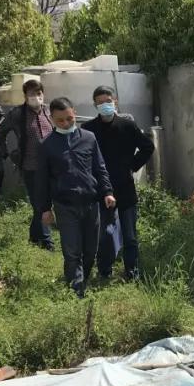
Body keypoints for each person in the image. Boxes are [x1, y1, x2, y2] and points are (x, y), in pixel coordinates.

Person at [35, 97, 115, 298]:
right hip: (65, 206)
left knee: (90, 251)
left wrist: (107, 192)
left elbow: (100, 167)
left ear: (74, 112)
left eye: (69, 118)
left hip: (90, 203)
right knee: (72, 252)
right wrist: (45, 209)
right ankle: (76, 293)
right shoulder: (47, 146)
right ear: (52, 119)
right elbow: (42, 180)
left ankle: (82, 280)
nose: (66, 123)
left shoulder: (89, 138)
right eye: (60, 120)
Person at [82, 85, 154, 280]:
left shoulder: (127, 125)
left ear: (115, 102)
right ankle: (104, 270)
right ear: (95, 105)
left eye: (108, 101)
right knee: (104, 235)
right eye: (100, 102)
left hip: (125, 188)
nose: (105, 105)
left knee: (130, 235)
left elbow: (148, 147)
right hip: (101, 190)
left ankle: (132, 270)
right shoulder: (89, 130)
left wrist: (132, 166)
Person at [0, 79, 55, 249]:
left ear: (43, 94)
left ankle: (34, 236)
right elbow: (1, 132)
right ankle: (46, 240)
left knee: (46, 202)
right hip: (30, 166)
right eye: (31, 94)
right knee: (39, 203)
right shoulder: (18, 114)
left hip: (50, 166)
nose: (35, 97)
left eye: (38, 93)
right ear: (25, 96)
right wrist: (6, 152)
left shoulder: (48, 112)